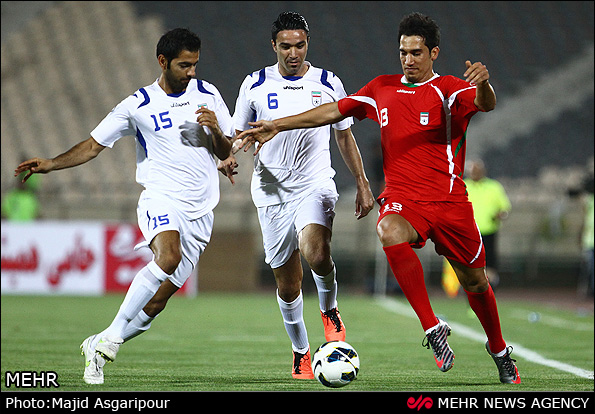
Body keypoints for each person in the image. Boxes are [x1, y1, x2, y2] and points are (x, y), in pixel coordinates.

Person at [238, 12, 520, 384]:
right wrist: (278, 124)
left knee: (476, 283)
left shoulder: (449, 88)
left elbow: (486, 103)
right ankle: (432, 327)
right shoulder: (381, 89)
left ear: (433, 53)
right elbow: (331, 112)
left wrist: (484, 84)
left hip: (449, 202)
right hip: (404, 199)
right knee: (387, 229)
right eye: (403, 52)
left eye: (417, 53)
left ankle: (499, 350)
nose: (408, 59)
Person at [14, 28, 234, 384]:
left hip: (201, 209)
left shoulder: (208, 95)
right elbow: (93, 145)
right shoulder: (137, 105)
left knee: (156, 304)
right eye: (183, 65)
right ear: (163, 62)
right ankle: (113, 337)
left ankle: (98, 344)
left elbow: (226, 151)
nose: (191, 72)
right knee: (168, 257)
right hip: (160, 197)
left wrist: (215, 132)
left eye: (194, 65)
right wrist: (51, 163)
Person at [220, 11, 374, 379]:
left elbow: (343, 135)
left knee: (316, 251)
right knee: (287, 283)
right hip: (271, 191)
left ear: (308, 44)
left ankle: (330, 309)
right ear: (273, 45)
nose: (294, 53)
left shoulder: (328, 82)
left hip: (314, 182)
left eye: (300, 45)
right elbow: (237, 134)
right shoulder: (254, 83)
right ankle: (301, 352)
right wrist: (227, 155)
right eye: (286, 46)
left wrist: (364, 183)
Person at [464, 159, 511, 288]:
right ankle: (471, 293)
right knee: (470, 265)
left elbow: (505, 208)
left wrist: (501, 214)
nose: (474, 172)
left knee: (489, 265)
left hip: (489, 232)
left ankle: (491, 289)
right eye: (472, 170)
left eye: (477, 169)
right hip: (469, 234)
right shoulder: (462, 186)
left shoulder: (494, 187)